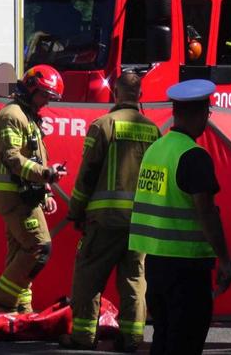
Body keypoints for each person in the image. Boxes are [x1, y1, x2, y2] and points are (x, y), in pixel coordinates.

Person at [128, 79, 231, 355]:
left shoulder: (157, 149)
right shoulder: (193, 156)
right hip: (187, 268)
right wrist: (223, 258)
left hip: (156, 262)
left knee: (163, 338)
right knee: (185, 342)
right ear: (201, 114)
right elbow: (207, 213)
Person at [60, 72, 160, 352]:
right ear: (140, 96)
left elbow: (87, 175)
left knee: (89, 276)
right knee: (134, 280)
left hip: (104, 221)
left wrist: (76, 211)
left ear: (114, 94)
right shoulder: (153, 131)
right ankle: (132, 339)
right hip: (139, 222)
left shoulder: (102, 126)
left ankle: (83, 336)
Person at [0, 64, 68, 314]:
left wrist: (45, 190)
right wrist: (45, 174)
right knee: (39, 248)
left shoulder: (28, 116)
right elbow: (12, 159)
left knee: (19, 255)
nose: (46, 102)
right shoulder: (11, 116)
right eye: (44, 95)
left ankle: (20, 311)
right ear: (31, 87)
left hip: (26, 197)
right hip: (16, 199)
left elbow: (33, 156)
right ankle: (1, 303)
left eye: (50, 98)